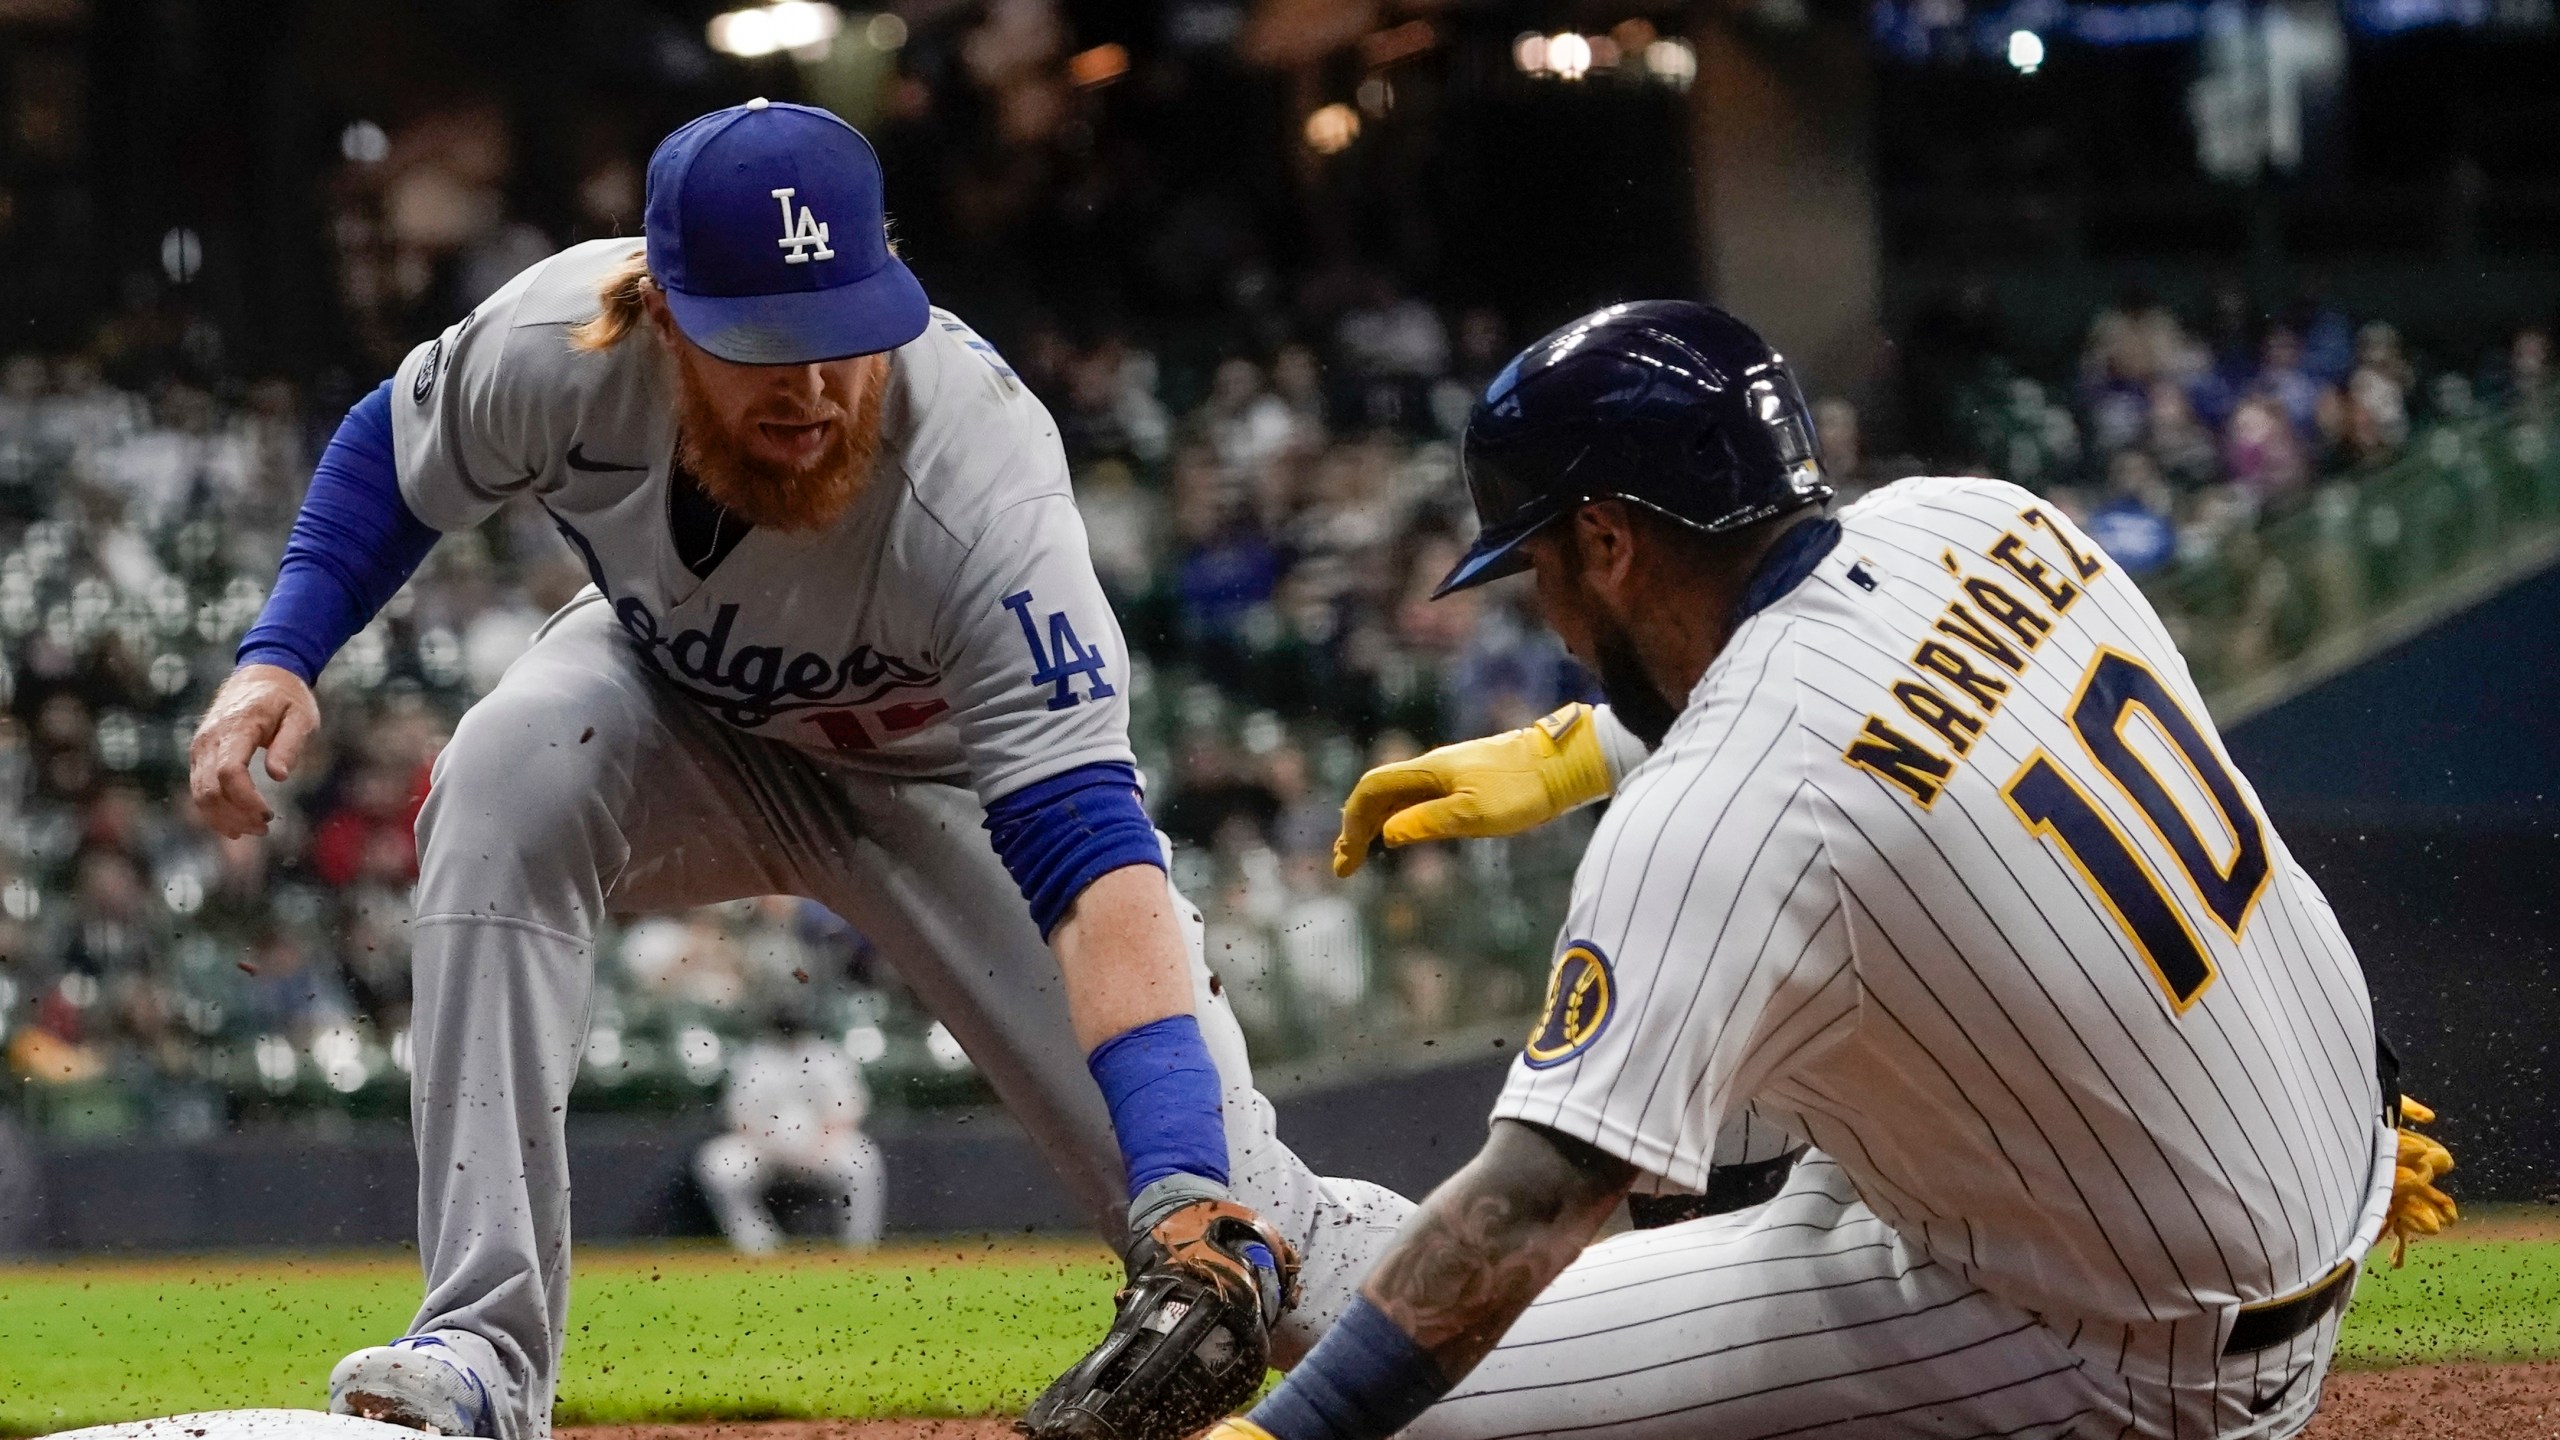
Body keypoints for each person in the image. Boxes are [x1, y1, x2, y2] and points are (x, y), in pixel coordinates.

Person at [185, 100, 1405, 1440]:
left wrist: (1181, 1188)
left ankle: (1521, 1314)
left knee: (1249, 1241)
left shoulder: (982, 477)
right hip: (677, 714)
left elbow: (1087, 853)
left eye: (841, 334)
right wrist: (279, 654)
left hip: (947, 791)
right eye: (764, 347)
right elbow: (395, 451)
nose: (815, 386)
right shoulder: (555, 340)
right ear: (657, 309)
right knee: (506, 764)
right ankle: (476, 1354)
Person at [1223, 302, 2453, 1440]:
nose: (1540, 611)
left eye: (1538, 565)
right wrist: (1572, 750)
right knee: (1806, 956)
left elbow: (1540, 1197)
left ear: (1606, 539)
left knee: (1420, 1414)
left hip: (2124, 1362)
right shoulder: (1982, 519)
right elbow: (1864, 712)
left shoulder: (1711, 814)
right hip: (2324, 1172)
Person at [695, 998, 886, 1254]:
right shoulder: (755, 1058)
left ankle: (860, 1246)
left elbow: (848, 1109)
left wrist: (820, 1143)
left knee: (863, 1159)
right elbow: (740, 1117)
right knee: (718, 1164)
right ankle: (758, 1246)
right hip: (763, 1147)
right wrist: (772, 1146)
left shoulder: (827, 1055)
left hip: (823, 1144)